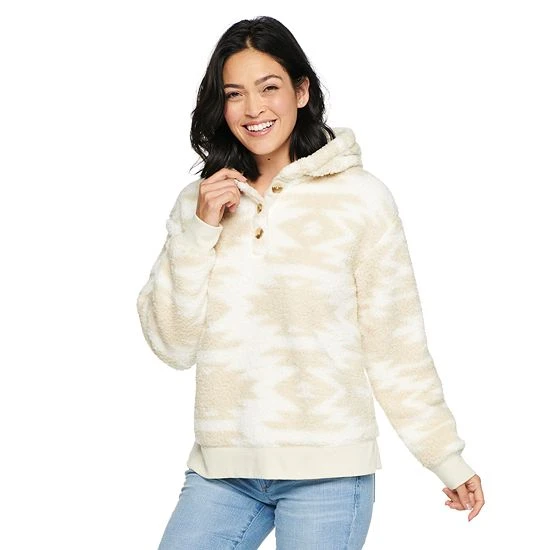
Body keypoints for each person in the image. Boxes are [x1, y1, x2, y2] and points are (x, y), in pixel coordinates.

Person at [136, 15, 485, 550]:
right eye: (234, 94)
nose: (253, 109)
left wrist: (445, 457)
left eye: (269, 87)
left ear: (301, 92)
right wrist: (201, 229)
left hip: (329, 471)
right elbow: (172, 345)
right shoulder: (200, 203)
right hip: (222, 469)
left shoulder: (360, 199)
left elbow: (395, 344)